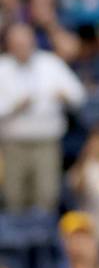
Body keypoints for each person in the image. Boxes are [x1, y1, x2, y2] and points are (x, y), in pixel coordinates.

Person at [0, 21, 86, 212]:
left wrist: (65, 96)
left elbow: (78, 95)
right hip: (13, 143)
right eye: (17, 44)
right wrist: (14, 106)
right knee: (14, 196)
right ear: (9, 44)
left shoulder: (51, 63)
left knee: (47, 194)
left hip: (46, 141)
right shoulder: (2, 68)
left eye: (25, 43)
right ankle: (15, 239)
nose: (22, 48)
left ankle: (43, 238)